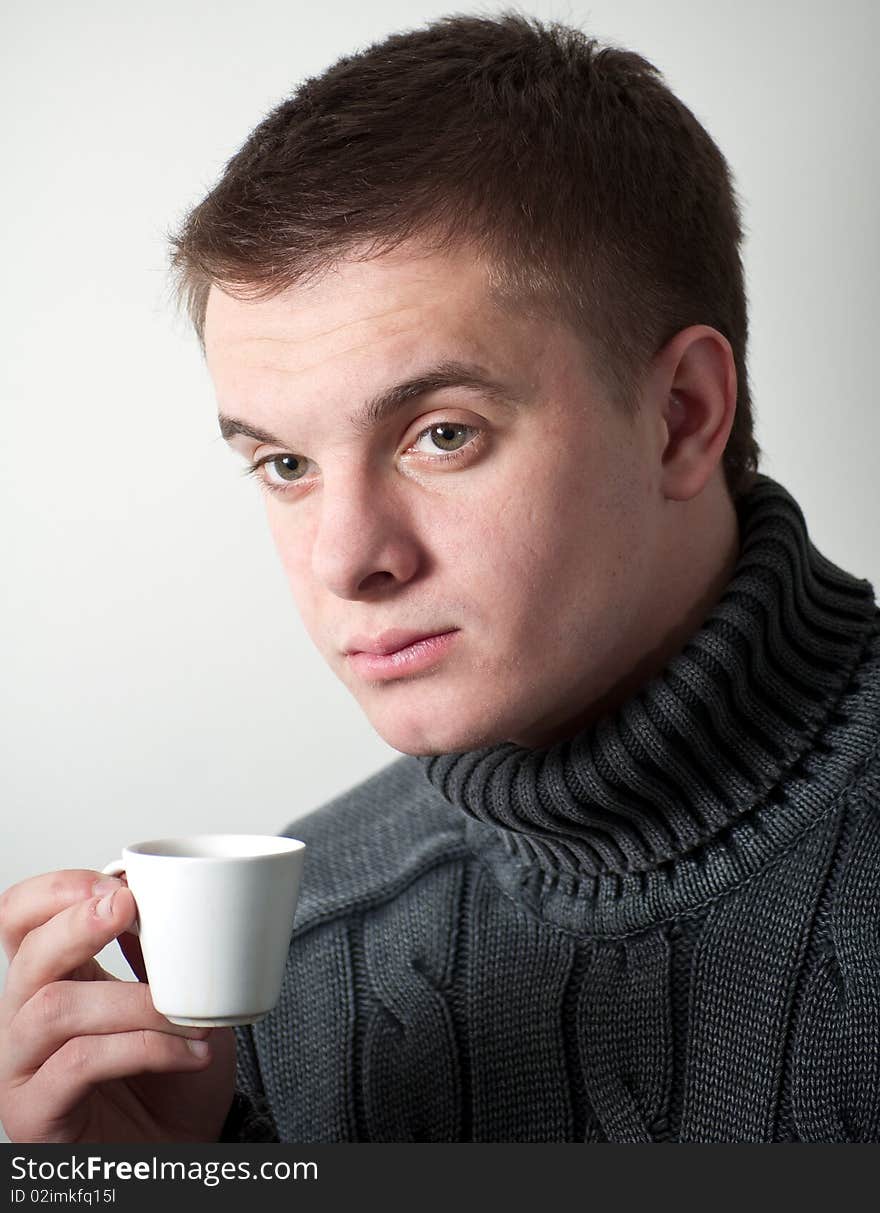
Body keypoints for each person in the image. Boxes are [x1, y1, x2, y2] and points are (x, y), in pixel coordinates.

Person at [1, 11, 878, 1145]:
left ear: (679, 418)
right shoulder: (271, 970)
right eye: (284, 463)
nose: (344, 559)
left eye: (441, 435)